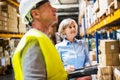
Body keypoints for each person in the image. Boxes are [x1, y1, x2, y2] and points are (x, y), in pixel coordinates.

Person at [12, 0, 67, 80]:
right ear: (36, 14)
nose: (55, 9)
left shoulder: (42, 39)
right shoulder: (33, 41)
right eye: (49, 6)